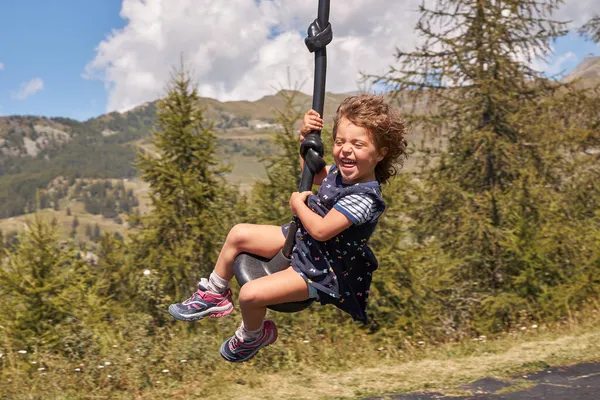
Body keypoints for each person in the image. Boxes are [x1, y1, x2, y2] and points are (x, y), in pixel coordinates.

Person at [168, 94, 408, 362]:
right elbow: (313, 174)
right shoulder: (339, 175)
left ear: (381, 153)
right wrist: (305, 139)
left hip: (320, 269)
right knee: (238, 234)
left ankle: (253, 335)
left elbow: (321, 230)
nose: (345, 149)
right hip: (304, 243)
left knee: (249, 294)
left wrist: (298, 205)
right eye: (339, 141)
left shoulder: (364, 198)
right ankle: (214, 293)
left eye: (358, 144)